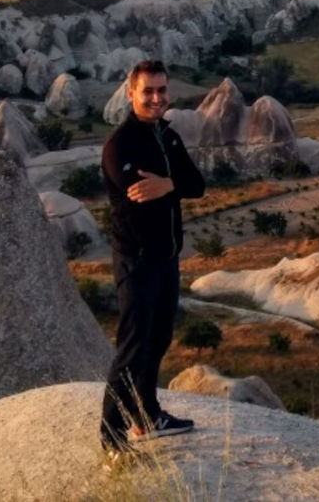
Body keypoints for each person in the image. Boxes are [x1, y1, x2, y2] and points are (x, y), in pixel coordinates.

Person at [99, 59, 206, 464]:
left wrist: (169, 185)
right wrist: (165, 187)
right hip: (137, 261)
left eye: (162, 91)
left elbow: (197, 185)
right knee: (132, 348)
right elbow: (138, 195)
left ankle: (146, 416)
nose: (157, 98)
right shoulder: (121, 145)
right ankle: (111, 439)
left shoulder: (167, 137)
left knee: (159, 339)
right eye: (149, 91)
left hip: (167, 256)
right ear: (131, 93)